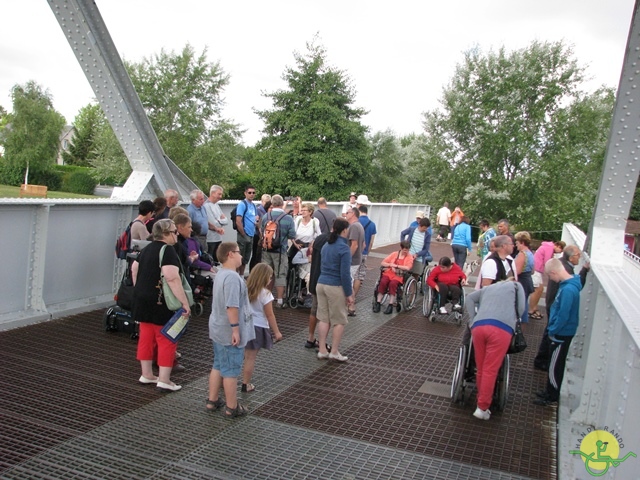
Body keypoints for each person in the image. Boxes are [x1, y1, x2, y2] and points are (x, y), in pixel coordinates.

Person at [131, 219, 191, 392]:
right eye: (174, 231)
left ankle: (147, 374)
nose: (176, 234)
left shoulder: (147, 248)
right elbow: (172, 277)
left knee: (146, 337)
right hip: (160, 302)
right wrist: (184, 303)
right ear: (165, 233)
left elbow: (134, 269)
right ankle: (164, 379)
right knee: (167, 339)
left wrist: (140, 288)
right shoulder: (168, 251)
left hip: (142, 300)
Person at [207, 242, 255, 417]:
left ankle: (212, 400)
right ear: (230, 254)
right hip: (229, 330)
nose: (241, 256)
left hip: (217, 326)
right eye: (238, 252)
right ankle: (232, 407)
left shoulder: (220, 274)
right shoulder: (233, 278)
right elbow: (232, 306)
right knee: (231, 371)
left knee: (218, 364)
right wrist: (235, 330)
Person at [466, 280, 525, 420]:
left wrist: (472, 320)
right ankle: (482, 407)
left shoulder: (489, 288)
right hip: (501, 328)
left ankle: (481, 399)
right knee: (490, 369)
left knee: (481, 368)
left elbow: (469, 298)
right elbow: (521, 308)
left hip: (479, 326)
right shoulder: (517, 286)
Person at [534, 258, 582, 407]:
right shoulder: (571, 285)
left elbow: (563, 315)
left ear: (554, 272)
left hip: (560, 334)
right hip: (562, 332)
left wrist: (552, 330)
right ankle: (550, 391)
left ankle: (552, 395)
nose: (551, 280)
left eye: (550, 276)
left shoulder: (567, 289)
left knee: (555, 365)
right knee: (555, 363)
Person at [533, 245, 589, 371]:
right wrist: (584, 271)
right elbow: (577, 286)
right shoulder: (566, 270)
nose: (579, 258)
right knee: (549, 333)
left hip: (553, 303)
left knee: (548, 331)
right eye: (577, 255)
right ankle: (543, 360)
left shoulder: (562, 265)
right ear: (571, 257)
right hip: (555, 305)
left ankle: (542, 360)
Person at [316, 218, 354, 362]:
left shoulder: (326, 245)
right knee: (339, 320)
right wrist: (349, 294)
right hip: (335, 285)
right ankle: (334, 351)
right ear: (344, 230)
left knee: (324, 318)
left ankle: (322, 350)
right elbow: (345, 274)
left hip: (321, 283)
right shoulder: (344, 248)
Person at [241, 263, 282, 393]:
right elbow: (269, 315)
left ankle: (224, 380)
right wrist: (276, 332)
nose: (270, 280)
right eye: (269, 277)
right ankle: (245, 384)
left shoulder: (244, 289)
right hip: (258, 327)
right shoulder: (265, 294)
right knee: (250, 358)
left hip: (243, 324)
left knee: (237, 355)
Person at [261, 195, 296, 308]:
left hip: (266, 249)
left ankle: (265, 298)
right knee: (280, 274)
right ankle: (280, 300)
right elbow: (292, 235)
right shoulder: (288, 218)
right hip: (280, 251)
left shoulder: (266, 216)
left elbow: (262, 231)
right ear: (282, 203)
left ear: (272, 203)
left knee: (267, 274)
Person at [373, 241, 414, 314]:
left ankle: (390, 304)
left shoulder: (409, 257)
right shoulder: (394, 254)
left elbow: (408, 267)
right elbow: (383, 263)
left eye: (407, 250)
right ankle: (378, 302)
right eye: (404, 250)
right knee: (383, 282)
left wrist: (397, 266)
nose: (406, 251)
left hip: (399, 275)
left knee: (393, 284)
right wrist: (390, 265)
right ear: (401, 248)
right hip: (389, 272)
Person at [528, 240, 566, 319]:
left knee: (540, 289)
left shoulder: (547, 246)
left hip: (537, 269)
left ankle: (534, 308)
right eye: (560, 250)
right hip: (536, 270)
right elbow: (547, 262)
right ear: (558, 246)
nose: (559, 253)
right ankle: (531, 310)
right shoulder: (549, 248)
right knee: (537, 290)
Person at [305, 231, 330, 349]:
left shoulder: (319, 239)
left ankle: (310, 338)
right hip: (326, 280)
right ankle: (322, 343)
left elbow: (311, 256)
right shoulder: (335, 242)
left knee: (314, 310)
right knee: (324, 313)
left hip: (315, 277)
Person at [173, 213, 216, 278]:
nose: (191, 230)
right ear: (180, 228)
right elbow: (184, 264)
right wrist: (192, 258)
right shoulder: (178, 244)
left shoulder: (183, 241)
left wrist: (190, 257)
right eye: (189, 227)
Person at [345, 206, 365, 316]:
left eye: (347, 213)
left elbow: (354, 245)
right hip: (357, 259)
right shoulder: (360, 226)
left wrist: (347, 258)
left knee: (348, 281)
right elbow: (363, 244)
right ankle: (350, 305)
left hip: (352, 260)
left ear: (353, 214)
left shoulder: (353, 227)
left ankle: (351, 305)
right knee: (350, 280)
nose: (345, 214)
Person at [354, 203, 377, 297]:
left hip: (353, 252)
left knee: (352, 274)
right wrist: (368, 251)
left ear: (359, 211)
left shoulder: (355, 222)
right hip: (363, 252)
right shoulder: (372, 224)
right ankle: (353, 297)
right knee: (359, 275)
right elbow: (371, 241)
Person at [235, 185, 258, 277]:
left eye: (253, 193)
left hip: (251, 234)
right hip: (244, 235)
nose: (251, 194)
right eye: (249, 192)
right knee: (239, 258)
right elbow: (238, 221)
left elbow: (255, 219)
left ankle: (241, 276)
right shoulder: (242, 204)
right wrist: (243, 234)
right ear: (245, 193)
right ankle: (236, 277)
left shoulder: (253, 205)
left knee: (245, 259)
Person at [514, 231, 535, 323]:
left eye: (517, 242)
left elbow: (516, 271)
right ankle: (522, 323)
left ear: (522, 242)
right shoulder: (530, 253)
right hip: (528, 280)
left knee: (520, 305)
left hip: (522, 281)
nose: (516, 244)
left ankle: (519, 325)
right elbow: (533, 270)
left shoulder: (522, 254)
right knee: (524, 303)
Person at [204, 185, 228, 264]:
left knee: (217, 260)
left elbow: (226, 220)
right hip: (211, 238)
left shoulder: (216, 205)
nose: (220, 196)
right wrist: (220, 220)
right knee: (210, 260)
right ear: (213, 193)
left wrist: (220, 220)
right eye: (219, 194)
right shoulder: (206, 206)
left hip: (218, 237)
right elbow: (212, 222)